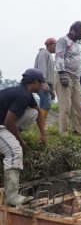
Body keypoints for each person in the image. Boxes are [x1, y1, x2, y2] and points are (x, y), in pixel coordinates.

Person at [0, 68, 47, 206]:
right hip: (2, 125)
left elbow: (37, 111)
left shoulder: (25, 92)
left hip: (3, 124)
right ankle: (12, 196)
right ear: (36, 82)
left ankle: (9, 138)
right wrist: (20, 141)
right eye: (42, 83)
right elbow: (9, 122)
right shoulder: (23, 96)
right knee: (14, 151)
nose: (43, 86)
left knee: (33, 113)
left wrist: (43, 135)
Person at [54, 21, 81, 135]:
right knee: (65, 106)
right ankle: (63, 133)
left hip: (76, 77)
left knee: (78, 106)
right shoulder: (63, 40)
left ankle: (77, 131)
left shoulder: (77, 45)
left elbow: (77, 63)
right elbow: (59, 57)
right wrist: (62, 74)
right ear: (74, 30)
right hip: (64, 74)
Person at [34, 37, 57, 122]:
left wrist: (52, 90)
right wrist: (43, 82)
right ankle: (41, 123)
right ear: (51, 45)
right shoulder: (43, 53)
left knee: (44, 104)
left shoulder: (49, 55)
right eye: (55, 45)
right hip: (42, 82)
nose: (57, 48)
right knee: (46, 104)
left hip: (48, 84)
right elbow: (41, 68)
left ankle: (40, 124)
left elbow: (51, 74)